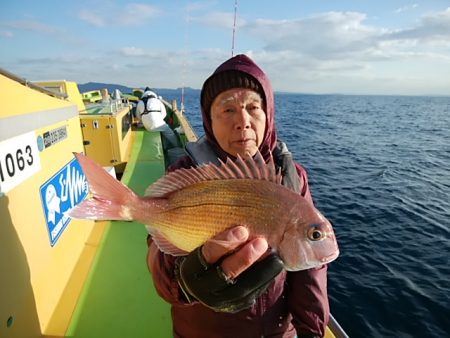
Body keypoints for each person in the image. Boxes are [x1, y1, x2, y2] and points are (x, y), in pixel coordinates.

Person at [147, 54, 329, 338]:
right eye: (227, 109)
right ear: (209, 119)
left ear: (268, 115)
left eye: (253, 107)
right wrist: (183, 282)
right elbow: (157, 250)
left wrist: (312, 331)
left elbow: (310, 271)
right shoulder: (184, 172)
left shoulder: (292, 176)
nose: (243, 121)